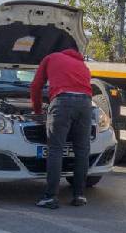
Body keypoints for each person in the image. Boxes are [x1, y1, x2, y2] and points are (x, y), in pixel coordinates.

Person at [30, 47, 93, 209]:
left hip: (62, 101)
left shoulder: (51, 57)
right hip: (86, 104)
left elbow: (36, 86)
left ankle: (51, 197)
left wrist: (37, 111)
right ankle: (79, 195)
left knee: (56, 149)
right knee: (82, 150)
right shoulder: (82, 65)